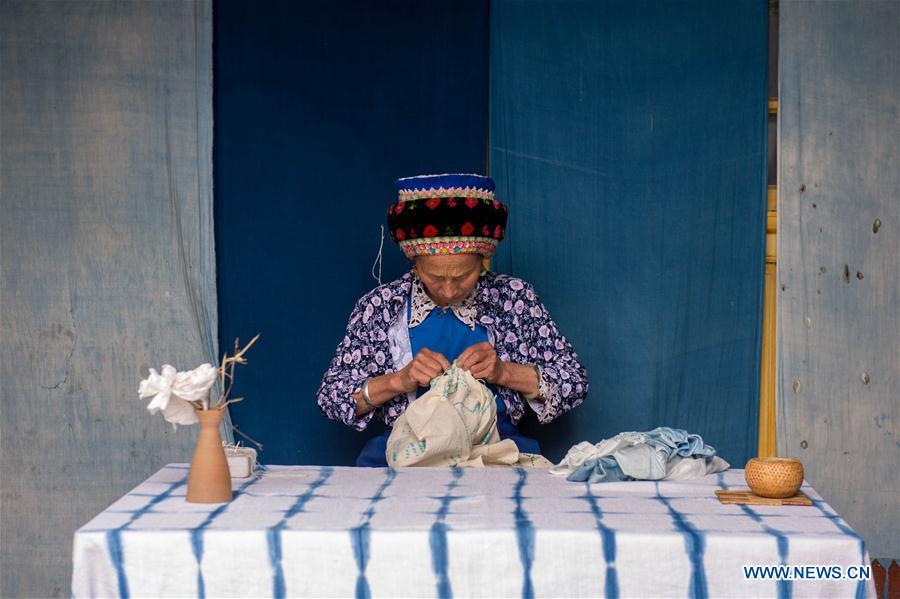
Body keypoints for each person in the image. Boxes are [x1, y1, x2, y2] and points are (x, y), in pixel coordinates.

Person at [316, 173, 589, 466]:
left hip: (495, 454)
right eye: (435, 277)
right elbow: (332, 396)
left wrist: (503, 372)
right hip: (407, 453)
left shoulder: (514, 298)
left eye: (463, 276)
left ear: (483, 259)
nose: (449, 289)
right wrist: (400, 379)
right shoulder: (381, 306)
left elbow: (574, 382)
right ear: (414, 262)